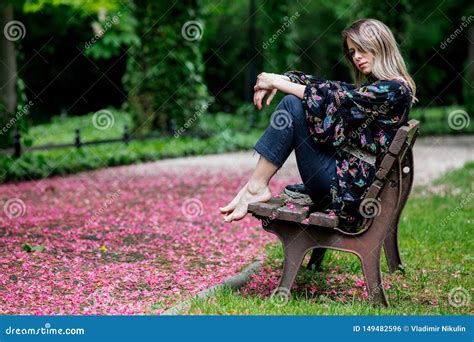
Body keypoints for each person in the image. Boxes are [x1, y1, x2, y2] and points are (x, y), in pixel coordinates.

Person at [219, 18, 417, 231]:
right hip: (349, 184)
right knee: (296, 103)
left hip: (345, 192)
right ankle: (255, 186)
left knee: (292, 105)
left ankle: (256, 186)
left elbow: (336, 100)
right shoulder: (386, 87)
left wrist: (278, 84)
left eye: (361, 49)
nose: (356, 57)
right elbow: (332, 88)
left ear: (379, 44)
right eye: (352, 52)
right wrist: (282, 78)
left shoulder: (395, 89)